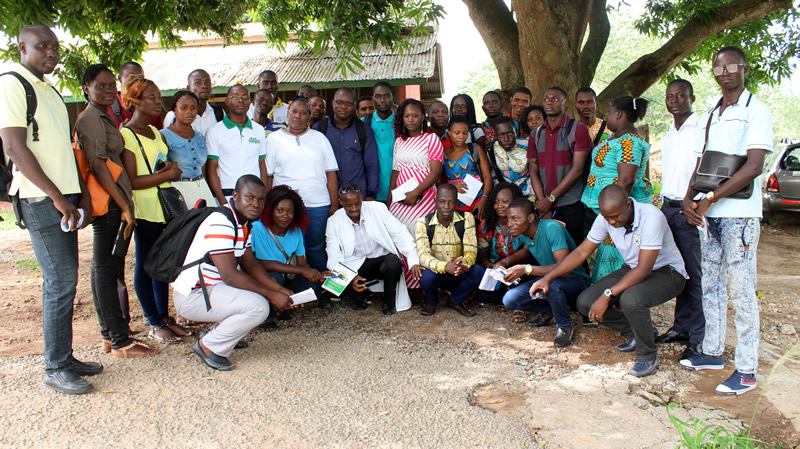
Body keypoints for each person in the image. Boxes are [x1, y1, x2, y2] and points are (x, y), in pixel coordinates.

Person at [0, 25, 99, 394]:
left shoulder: (48, 89)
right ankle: (55, 367)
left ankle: (65, 357)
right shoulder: (12, 83)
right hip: (41, 199)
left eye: (55, 47)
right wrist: (57, 198)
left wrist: (78, 195)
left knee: (65, 280)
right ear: (22, 47)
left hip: (64, 198)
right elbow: (14, 146)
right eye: (43, 47)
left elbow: (61, 148)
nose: (52, 53)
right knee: (60, 283)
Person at [679, 46, 773, 396]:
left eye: (731, 65)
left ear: (744, 69)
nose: (724, 71)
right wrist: (690, 197)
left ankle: (746, 371)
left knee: (743, 291)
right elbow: (704, 160)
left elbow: (754, 165)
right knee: (711, 285)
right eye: (718, 67)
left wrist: (712, 198)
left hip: (739, 215)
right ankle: (712, 352)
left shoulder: (756, 110)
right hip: (709, 214)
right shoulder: (712, 112)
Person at [531, 185, 687, 376]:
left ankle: (648, 355)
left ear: (628, 205)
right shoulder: (605, 218)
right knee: (585, 302)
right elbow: (581, 252)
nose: (612, 222)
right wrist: (548, 277)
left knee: (631, 299)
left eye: (616, 217)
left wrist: (608, 294)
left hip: (667, 272)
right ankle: (640, 332)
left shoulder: (651, 217)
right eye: (607, 218)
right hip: (632, 268)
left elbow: (644, 268)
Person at [75, 64, 156, 359]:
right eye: (101, 86)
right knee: (105, 270)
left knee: (109, 269)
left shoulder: (106, 117)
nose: (109, 90)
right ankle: (118, 341)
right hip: (109, 204)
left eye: (112, 85)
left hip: (117, 203)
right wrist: (124, 206)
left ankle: (111, 336)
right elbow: (97, 164)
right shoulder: (91, 119)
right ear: (87, 88)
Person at [172, 175, 293, 371]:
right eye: (249, 197)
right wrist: (271, 295)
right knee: (259, 306)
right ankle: (209, 346)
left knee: (257, 294)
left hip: (212, 289)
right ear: (235, 195)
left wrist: (278, 289)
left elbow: (251, 264)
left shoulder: (243, 223)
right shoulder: (221, 222)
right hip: (193, 296)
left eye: (260, 200)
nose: (255, 204)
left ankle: (217, 334)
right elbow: (229, 274)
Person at [120, 78, 191, 344]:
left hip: (165, 208)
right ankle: (152, 321)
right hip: (146, 208)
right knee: (146, 265)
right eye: (150, 96)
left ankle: (164, 317)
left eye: (158, 96)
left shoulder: (155, 131)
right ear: (135, 100)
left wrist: (169, 170)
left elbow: (157, 167)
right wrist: (169, 174)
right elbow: (133, 180)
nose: (157, 101)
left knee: (163, 264)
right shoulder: (128, 135)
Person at [654, 79, 704, 361]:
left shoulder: (702, 130)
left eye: (680, 96)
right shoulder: (669, 134)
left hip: (689, 208)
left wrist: (693, 202)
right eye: (670, 96)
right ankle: (681, 326)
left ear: (691, 98)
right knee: (678, 269)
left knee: (695, 275)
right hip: (668, 208)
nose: (674, 100)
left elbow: (703, 171)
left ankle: (698, 338)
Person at [581, 96, 653, 281]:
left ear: (619, 114)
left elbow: (627, 180)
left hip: (618, 213)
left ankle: (615, 301)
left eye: (609, 113)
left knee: (616, 258)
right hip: (611, 212)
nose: (607, 118)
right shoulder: (618, 138)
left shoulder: (629, 142)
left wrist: (613, 214)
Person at [502, 198, 591, 347]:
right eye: (508, 219)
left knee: (553, 283)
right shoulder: (525, 233)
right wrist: (505, 263)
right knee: (510, 299)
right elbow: (527, 250)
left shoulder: (551, 228)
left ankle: (564, 326)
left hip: (577, 282)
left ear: (531, 218)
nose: (510, 224)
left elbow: (564, 269)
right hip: (551, 280)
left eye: (515, 219)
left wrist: (526, 269)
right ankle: (552, 310)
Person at [265, 97, 338, 272]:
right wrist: (269, 205)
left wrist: (334, 204)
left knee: (316, 248)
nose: (298, 116)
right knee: (289, 249)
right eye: (294, 111)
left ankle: (322, 289)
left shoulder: (319, 139)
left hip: (318, 204)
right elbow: (267, 176)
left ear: (309, 116)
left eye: (303, 113)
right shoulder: (273, 140)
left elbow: (331, 174)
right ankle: (296, 291)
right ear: (287, 113)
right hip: (285, 207)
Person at [326, 183, 421, 315]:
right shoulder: (333, 221)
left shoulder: (378, 208)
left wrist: (413, 261)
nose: (354, 209)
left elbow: (401, 234)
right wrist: (350, 277)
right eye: (348, 205)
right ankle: (359, 294)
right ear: (340, 202)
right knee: (334, 275)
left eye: (357, 204)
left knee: (393, 263)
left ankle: (388, 302)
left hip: (381, 262)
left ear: (362, 198)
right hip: (356, 266)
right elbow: (333, 256)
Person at [527, 86, 593, 248]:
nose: (550, 102)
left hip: (570, 204)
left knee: (574, 253)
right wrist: (543, 201)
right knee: (550, 253)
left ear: (565, 103)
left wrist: (551, 199)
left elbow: (577, 169)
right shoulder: (536, 135)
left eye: (555, 99)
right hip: (544, 207)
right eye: (546, 99)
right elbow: (533, 170)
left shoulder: (578, 129)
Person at [251, 185, 330, 307]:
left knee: (314, 287)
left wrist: (317, 274)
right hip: (266, 277)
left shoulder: (296, 231)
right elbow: (265, 263)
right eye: (280, 210)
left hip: (287, 277)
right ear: (270, 210)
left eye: (290, 211)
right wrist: (302, 270)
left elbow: (301, 263)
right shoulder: (257, 228)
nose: (285, 216)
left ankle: (286, 303)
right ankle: (269, 315)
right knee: (274, 278)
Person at [415, 184, 484, 317]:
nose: (446, 206)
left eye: (451, 202)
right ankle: (432, 301)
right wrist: (445, 266)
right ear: (435, 202)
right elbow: (423, 256)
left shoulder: (467, 218)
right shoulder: (423, 223)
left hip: (457, 272)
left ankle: (455, 300)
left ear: (456, 202)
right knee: (426, 277)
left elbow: (471, 250)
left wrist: (463, 264)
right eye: (442, 201)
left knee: (478, 272)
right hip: (437, 273)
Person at [205, 84, 268, 205]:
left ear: (250, 102)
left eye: (245, 97)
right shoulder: (215, 131)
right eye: (235, 96)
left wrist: (263, 196)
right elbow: (212, 168)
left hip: (255, 195)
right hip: (228, 194)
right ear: (227, 101)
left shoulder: (259, 130)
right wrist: (222, 200)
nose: (240, 100)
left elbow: (261, 164)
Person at [388, 98, 444, 234]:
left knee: (421, 237)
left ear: (423, 117)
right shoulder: (399, 142)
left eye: (415, 115)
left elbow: (436, 172)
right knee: (400, 238)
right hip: (400, 200)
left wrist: (415, 192)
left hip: (424, 198)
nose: (410, 119)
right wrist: (389, 202)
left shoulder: (431, 138)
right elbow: (395, 172)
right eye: (407, 116)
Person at [313, 87, 379, 200]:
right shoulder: (319, 128)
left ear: (354, 106)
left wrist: (371, 194)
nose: (343, 107)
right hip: (326, 196)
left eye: (348, 103)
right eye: (339, 102)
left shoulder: (364, 130)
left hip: (357, 197)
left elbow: (372, 164)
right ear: (333, 103)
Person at [475, 183, 530, 313]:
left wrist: (506, 262)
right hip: (497, 271)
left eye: (505, 202)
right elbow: (482, 255)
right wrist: (488, 264)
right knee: (485, 297)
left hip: (518, 269)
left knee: (524, 278)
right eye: (496, 202)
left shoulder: (522, 222)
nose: (500, 206)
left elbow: (528, 250)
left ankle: (518, 306)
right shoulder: (485, 225)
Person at [161, 90, 216, 207]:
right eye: (184, 108)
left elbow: (203, 169)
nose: (189, 112)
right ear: (174, 110)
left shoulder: (199, 136)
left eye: (193, 108)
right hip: (178, 190)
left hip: (202, 188)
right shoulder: (163, 135)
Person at [442, 115, 492, 218]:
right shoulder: (443, 154)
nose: (461, 137)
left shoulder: (474, 149)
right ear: (449, 132)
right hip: (453, 204)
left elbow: (487, 176)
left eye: (465, 133)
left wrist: (484, 199)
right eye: (457, 133)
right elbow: (438, 181)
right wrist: (453, 186)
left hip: (478, 201)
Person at [162, 69, 223, 137]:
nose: (204, 86)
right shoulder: (173, 116)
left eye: (207, 82)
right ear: (189, 88)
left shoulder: (219, 113)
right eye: (198, 82)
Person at [107, 61, 162, 129]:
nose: (137, 82)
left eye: (140, 78)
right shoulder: (108, 106)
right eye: (132, 77)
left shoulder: (151, 107)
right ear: (120, 78)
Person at [491, 116, 534, 198]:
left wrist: (532, 197)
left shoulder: (527, 146)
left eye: (510, 134)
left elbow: (535, 174)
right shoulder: (493, 149)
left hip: (528, 194)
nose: (506, 139)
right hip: (508, 195)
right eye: (501, 136)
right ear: (495, 136)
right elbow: (494, 175)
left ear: (516, 131)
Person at [367, 81, 396, 202]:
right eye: (378, 96)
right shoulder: (363, 123)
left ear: (393, 97)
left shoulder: (402, 123)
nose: (382, 100)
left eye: (387, 95)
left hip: (398, 191)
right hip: (371, 193)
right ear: (373, 99)